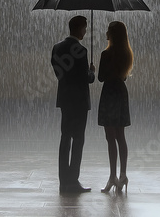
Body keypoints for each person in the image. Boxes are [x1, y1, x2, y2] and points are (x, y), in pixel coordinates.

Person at [51, 16, 95, 194]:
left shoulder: (57, 48)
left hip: (65, 101)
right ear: (79, 28)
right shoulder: (82, 51)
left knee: (65, 138)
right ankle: (73, 180)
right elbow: (86, 80)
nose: (85, 31)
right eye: (85, 28)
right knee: (78, 140)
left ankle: (63, 182)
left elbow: (59, 74)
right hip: (80, 103)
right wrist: (92, 72)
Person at [97, 21, 133, 193]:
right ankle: (123, 175)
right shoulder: (126, 54)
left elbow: (101, 77)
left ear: (112, 34)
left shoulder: (106, 54)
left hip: (109, 93)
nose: (106, 32)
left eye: (108, 31)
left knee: (110, 137)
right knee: (120, 135)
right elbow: (123, 77)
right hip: (120, 92)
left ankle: (112, 176)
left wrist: (94, 68)